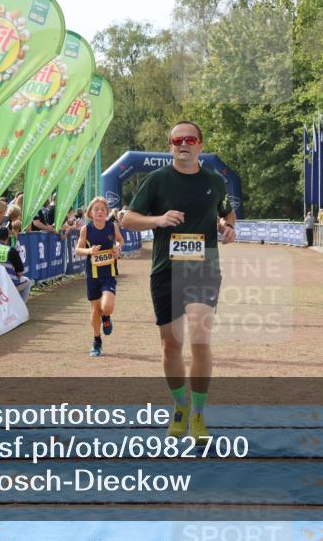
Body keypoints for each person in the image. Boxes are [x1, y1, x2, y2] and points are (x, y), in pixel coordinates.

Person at [122, 121, 236, 443]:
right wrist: (157, 219)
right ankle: (180, 407)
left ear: (200, 144)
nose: (182, 144)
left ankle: (198, 414)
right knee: (171, 344)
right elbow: (128, 218)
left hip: (204, 269)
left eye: (189, 139)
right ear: (170, 145)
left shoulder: (214, 181)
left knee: (200, 340)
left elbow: (227, 215)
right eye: (176, 140)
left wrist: (229, 230)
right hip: (166, 271)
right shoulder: (157, 180)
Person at [75, 196, 124, 356]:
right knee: (96, 309)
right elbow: (78, 250)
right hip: (92, 275)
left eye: (103, 209)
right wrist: (90, 251)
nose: (100, 212)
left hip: (108, 273)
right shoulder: (86, 230)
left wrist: (118, 248)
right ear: (90, 213)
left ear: (107, 212)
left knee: (107, 306)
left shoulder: (112, 226)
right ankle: (97, 341)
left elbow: (120, 241)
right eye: (96, 209)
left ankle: (107, 317)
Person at [0, 225, 31, 301]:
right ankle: (20, 307)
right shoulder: (11, 250)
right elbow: (20, 273)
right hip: (8, 286)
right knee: (27, 281)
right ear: (7, 237)